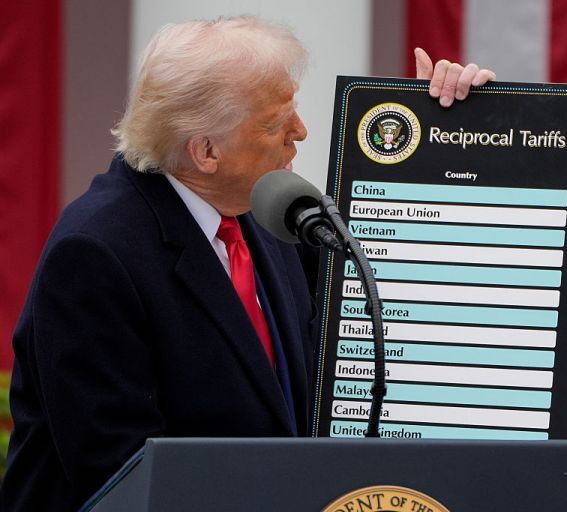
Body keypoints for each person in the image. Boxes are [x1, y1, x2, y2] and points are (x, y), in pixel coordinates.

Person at [0, 16, 495, 511]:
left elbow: (391, 289)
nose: (300, 131)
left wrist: (441, 134)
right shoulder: (94, 254)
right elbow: (124, 480)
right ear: (206, 152)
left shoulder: (265, 207)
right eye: (277, 123)